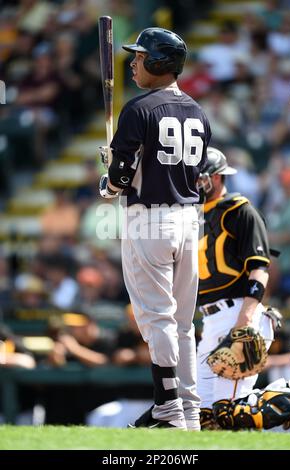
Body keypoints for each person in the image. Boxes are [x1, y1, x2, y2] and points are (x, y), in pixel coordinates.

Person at [99, 27, 211, 430]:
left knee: (157, 321)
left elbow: (122, 176)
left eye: (141, 57)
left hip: (150, 220)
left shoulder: (139, 108)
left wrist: (108, 181)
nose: (133, 62)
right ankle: (190, 409)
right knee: (182, 324)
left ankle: (166, 408)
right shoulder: (198, 111)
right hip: (188, 221)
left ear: (160, 63)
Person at [196, 146, 276, 429]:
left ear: (216, 177)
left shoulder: (239, 210)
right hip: (210, 319)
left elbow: (260, 267)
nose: (194, 182)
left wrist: (245, 322)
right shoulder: (187, 216)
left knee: (230, 415)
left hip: (239, 313)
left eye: (199, 177)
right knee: (204, 420)